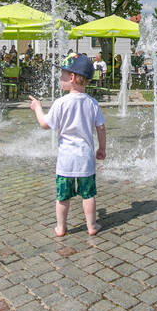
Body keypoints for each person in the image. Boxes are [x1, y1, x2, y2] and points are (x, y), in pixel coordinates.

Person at [29, 53, 106, 237]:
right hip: (86, 159)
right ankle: (91, 226)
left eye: (63, 74)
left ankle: (61, 228)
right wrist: (102, 148)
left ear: (72, 78)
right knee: (88, 195)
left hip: (65, 160)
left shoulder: (61, 103)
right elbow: (101, 127)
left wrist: (38, 108)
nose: (60, 78)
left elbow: (45, 124)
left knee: (62, 197)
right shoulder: (92, 103)